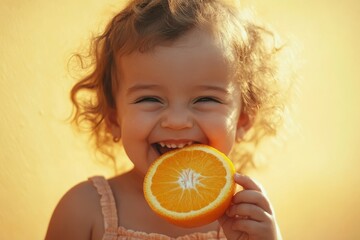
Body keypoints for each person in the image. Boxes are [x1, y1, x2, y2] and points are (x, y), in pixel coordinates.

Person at [46, 0, 293, 239]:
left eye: (205, 99)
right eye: (149, 99)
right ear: (114, 119)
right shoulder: (83, 210)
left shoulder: (247, 219)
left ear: (242, 119)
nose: (177, 121)